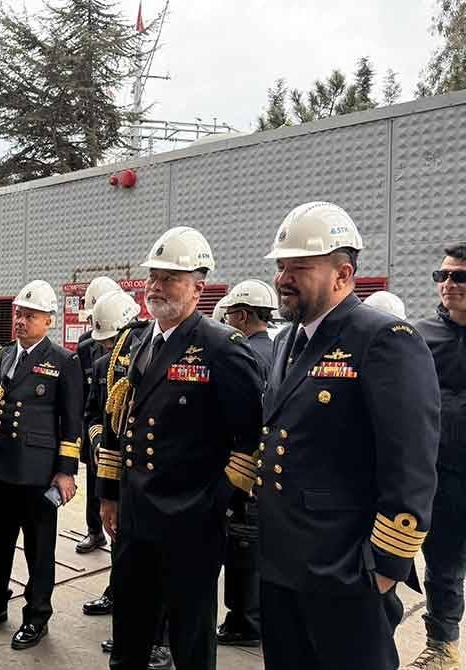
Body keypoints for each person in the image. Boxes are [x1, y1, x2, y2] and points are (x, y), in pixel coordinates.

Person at [257, 202, 440, 670]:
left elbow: (411, 465)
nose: (284, 278)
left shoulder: (384, 338)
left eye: (301, 267)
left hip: (344, 566)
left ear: (343, 274)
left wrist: (384, 566)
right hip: (283, 561)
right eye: (281, 267)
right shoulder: (288, 341)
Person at [97, 226, 264, 670]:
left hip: (190, 521)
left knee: (190, 637)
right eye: (153, 276)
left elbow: (252, 439)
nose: (156, 285)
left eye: (170, 277)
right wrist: (110, 495)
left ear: (198, 288)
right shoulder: (136, 341)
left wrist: (216, 501)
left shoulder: (221, 347)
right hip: (136, 515)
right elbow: (119, 424)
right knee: (130, 627)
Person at [0, 279, 83, 651]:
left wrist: (66, 470)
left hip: (38, 473)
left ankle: (36, 616)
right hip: (1, 469)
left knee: (39, 548)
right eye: (19, 314)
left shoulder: (64, 361)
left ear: (48, 320)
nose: (20, 320)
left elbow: (72, 421)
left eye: (30, 316)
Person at [80, 290, 153, 659]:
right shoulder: (103, 364)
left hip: (149, 474)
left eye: (112, 340)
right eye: (107, 342)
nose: (110, 348)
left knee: (153, 563)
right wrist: (98, 443)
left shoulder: (154, 354)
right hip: (115, 469)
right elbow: (94, 413)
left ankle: (157, 638)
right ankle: (127, 617)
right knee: (122, 548)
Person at [403, 243, 466, 670]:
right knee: (442, 566)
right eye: (442, 276)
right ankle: (442, 647)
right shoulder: (421, 336)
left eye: (459, 277)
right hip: (441, 474)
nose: (448, 284)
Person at [214, 278, 278, 649]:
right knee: (251, 546)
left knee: (240, 548)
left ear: (241, 314)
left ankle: (244, 621)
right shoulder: (278, 347)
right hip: (267, 467)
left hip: (241, 465)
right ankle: (249, 616)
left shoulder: (244, 353)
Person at [75, 276, 121, 555]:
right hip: (94, 425)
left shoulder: (135, 342)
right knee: (94, 480)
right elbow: (83, 391)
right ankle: (94, 531)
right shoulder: (84, 345)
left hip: (118, 428)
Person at [221, 279, 277, 377]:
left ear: (242, 316)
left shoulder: (241, 355)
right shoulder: (279, 351)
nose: (227, 322)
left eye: (228, 315)